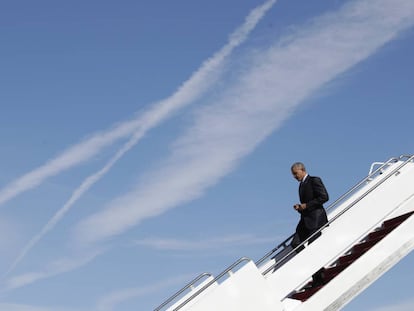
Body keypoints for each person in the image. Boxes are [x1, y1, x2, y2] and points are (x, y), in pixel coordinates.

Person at [290, 162, 329, 287]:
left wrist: (306, 205)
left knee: (312, 246)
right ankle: (318, 271)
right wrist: (300, 207)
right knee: (295, 243)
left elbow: (324, 197)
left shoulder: (314, 180)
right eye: (293, 175)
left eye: (296, 174)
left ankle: (318, 277)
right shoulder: (301, 185)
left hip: (316, 219)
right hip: (305, 219)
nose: (295, 177)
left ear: (302, 170)